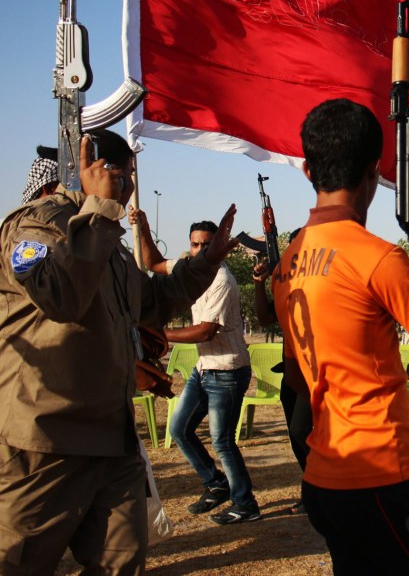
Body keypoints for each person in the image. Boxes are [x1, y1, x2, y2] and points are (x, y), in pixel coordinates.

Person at [0, 130, 236, 574]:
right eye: (120, 175)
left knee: (122, 562)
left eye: (129, 176)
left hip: (112, 442)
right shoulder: (36, 224)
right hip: (46, 443)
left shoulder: (107, 241)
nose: (127, 187)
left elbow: (152, 303)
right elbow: (61, 296)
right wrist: (102, 212)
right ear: (90, 169)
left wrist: (205, 264)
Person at [270, 98, 409, 573]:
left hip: (325, 475)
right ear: (373, 170)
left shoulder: (286, 264)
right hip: (375, 477)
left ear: (307, 170)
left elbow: (301, 385)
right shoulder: (376, 258)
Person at [132, 212, 260, 524]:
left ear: (217, 246)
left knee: (222, 441)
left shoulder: (222, 281)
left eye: (205, 244)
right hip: (205, 368)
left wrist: (158, 335)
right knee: (179, 429)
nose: (199, 250)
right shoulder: (191, 269)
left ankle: (246, 504)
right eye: (194, 244)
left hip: (227, 371)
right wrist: (144, 227)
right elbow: (154, 264)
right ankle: (216, 485)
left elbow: (205, 331)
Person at [251, 237, 311, 516]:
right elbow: (264, 319)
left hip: (318, 373)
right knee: (296, 434)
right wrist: (260, 283)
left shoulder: (318, 285)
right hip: (292, 370)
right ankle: (313, 491)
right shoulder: (287, 284)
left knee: (302, 432)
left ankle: (320, 491)